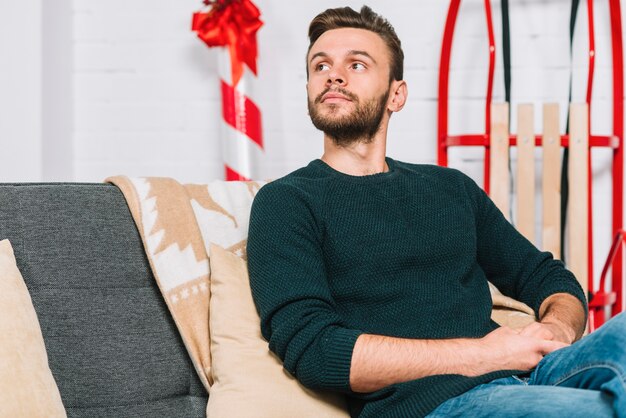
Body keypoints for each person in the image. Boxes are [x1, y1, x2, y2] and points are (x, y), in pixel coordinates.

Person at [246, 5, 626, 417]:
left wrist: (555, 329)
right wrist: (485, 354)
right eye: (321, 65)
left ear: (397, 94)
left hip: (530, 373)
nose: (333, 75)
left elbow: (545, 276)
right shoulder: (286, 202)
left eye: (356, 64)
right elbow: (315, 350)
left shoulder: (449, 187)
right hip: (438, 404)